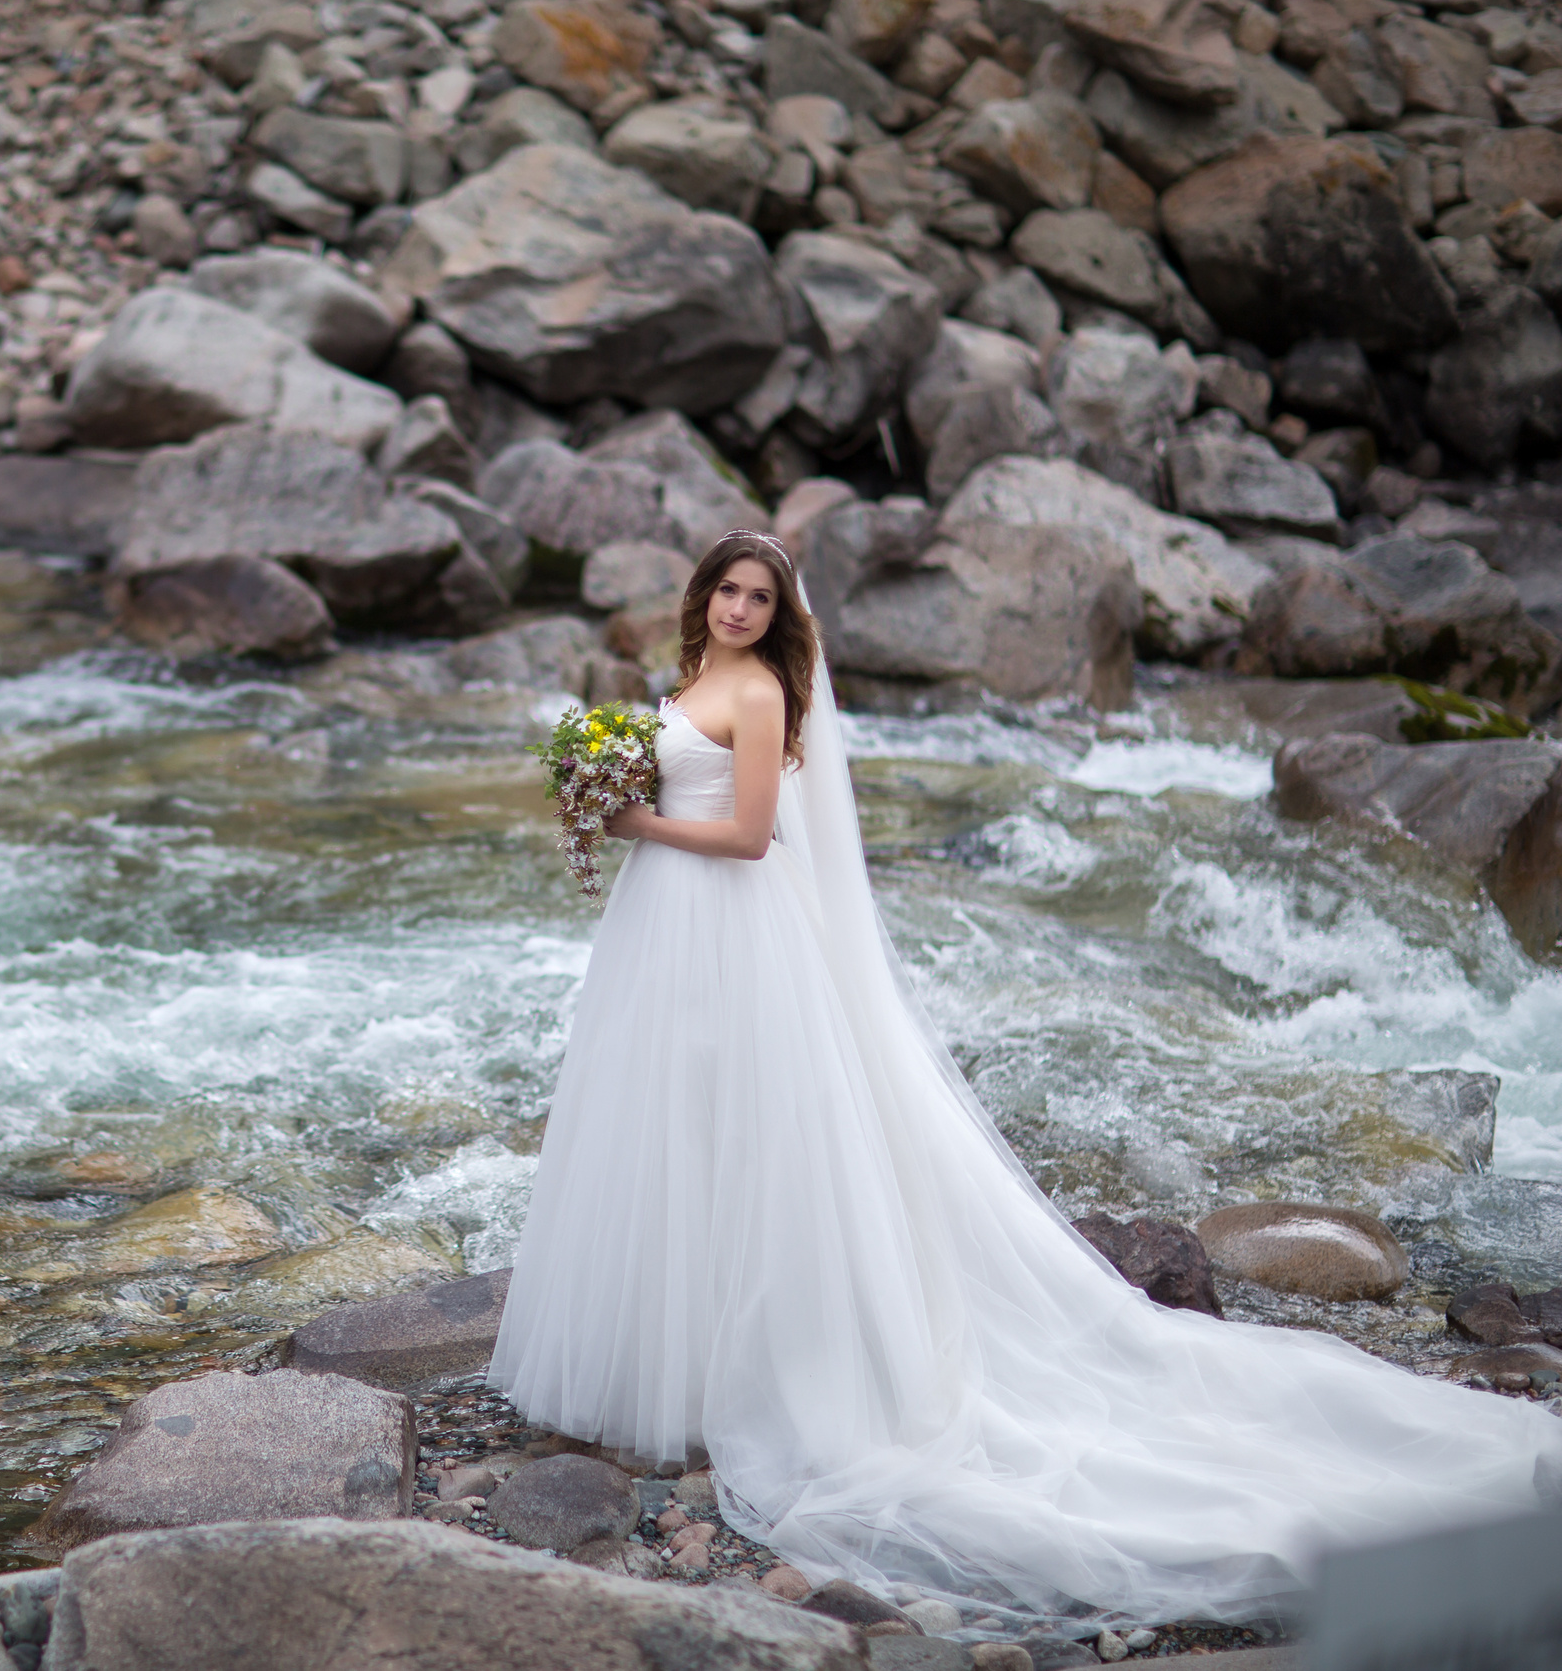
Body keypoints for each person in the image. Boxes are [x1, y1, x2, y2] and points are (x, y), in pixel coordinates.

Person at [487, 530, 1562, 1633]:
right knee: (675, 1129)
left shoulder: (758, 694)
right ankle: (673, 1367)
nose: (739, 609)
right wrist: (604, 786)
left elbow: (755, 837)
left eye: (759, 597)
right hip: (667, 930)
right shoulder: (690, 680)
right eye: (727, 590)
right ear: (701, 596)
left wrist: (633, 822)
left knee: (755, 1138)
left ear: (776, 615)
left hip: (733, 925)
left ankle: (765, 1370)